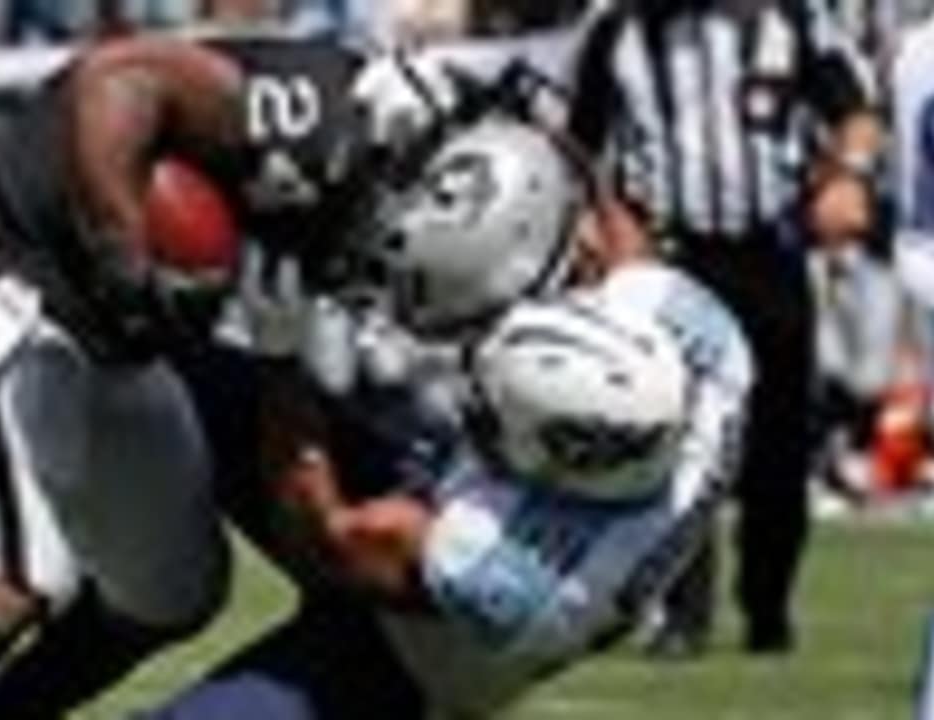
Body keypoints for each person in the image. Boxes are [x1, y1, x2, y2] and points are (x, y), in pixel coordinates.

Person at [0, 29, 375, 720]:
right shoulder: (285, 114)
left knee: (170, 592)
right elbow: (108, 76)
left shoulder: (347, 180)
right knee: (20, 575)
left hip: (117, 339)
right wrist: (122, 244)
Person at [145, 113, 754, 720]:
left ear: (548, 465)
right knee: (172, 362)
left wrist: (283, 357)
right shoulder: (700, 341)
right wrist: (536, 126)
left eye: (491, 417)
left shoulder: (513, 574)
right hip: (429, 508)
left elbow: (325, 539)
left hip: (404, 661)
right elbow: (613, 222)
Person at [566, 0, 882, 656]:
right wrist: (607, 222)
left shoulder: (791, 20)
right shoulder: (619, 29)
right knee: (676, 441)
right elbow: (580, 142)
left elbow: (854, 111)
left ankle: (768, 605)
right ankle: (682, 613)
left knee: (779, 446)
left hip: (771, 252)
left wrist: (848, 177)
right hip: (671, 259)